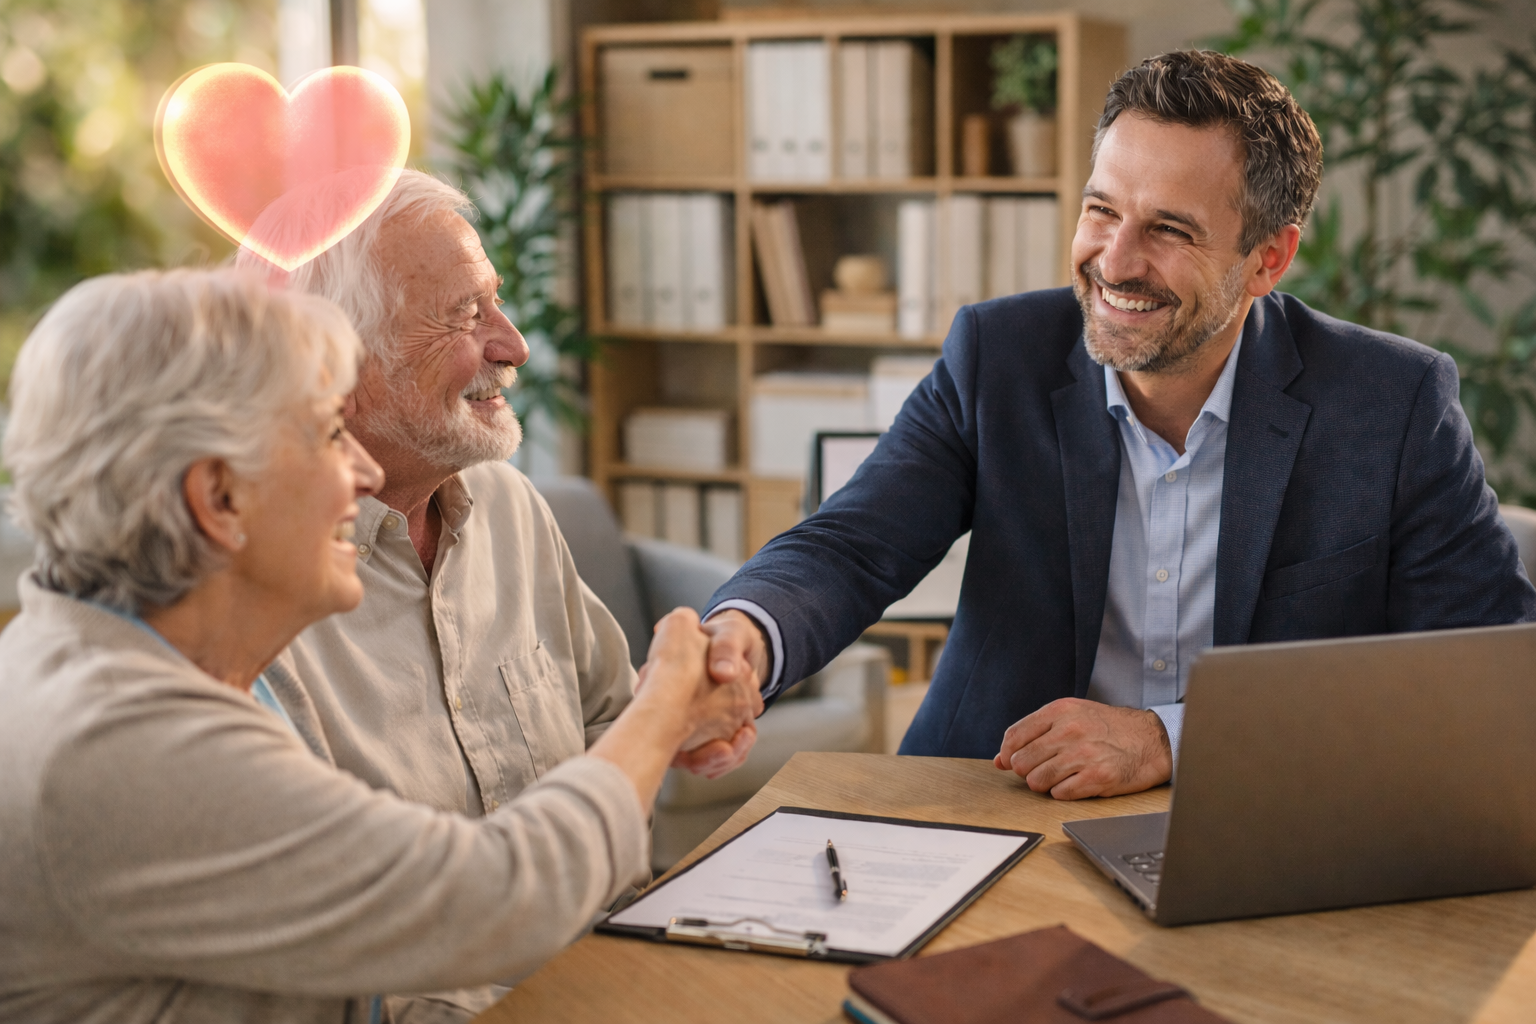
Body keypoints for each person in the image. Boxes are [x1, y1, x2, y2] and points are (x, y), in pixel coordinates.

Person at [701, 49, 1536, 799]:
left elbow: (1489, 672)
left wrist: (1174, 739)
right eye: (1102, 210)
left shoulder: (1393, 403)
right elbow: (850, 546)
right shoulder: (998, 354)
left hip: (1265, 811)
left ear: (1268, 260)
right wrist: (739, 645)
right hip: (998, 797)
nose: (1115, 261)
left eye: (1170, 229)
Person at [0, 269, 737, 1024]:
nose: (362, 472)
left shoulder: (118, 660)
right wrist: (665, 706)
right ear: (219, 496)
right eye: (329, 434)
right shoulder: (120, 745)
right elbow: (495, 898)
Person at [234, 172, 760, 813]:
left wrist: (682, 718)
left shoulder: (509, 504)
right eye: (465, 314)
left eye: (496, 301)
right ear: (331, 361)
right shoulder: (245, 605)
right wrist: (663, 716)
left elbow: (608, 721)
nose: (516, 347)